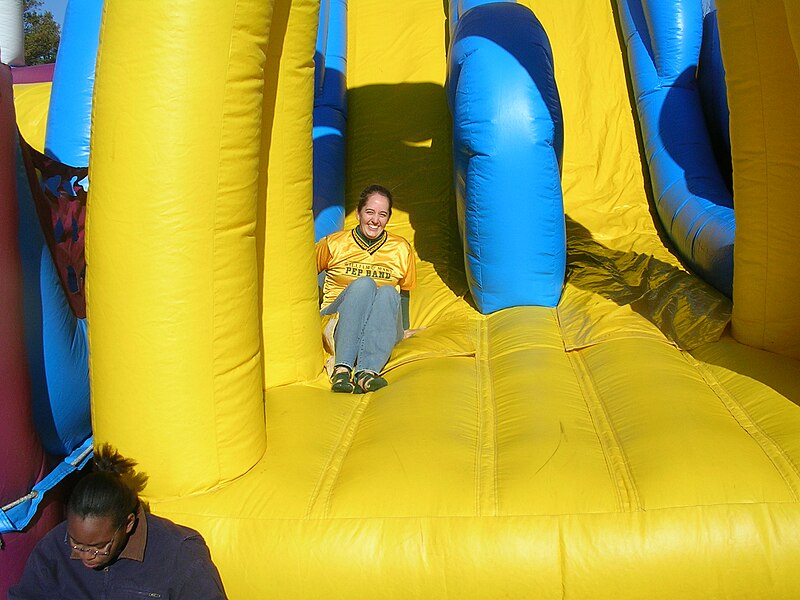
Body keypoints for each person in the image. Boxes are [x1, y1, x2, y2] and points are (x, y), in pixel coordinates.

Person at [9, 444, 227, 599]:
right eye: (77, 544)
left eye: (99, 547)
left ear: (128, 524)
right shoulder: (55, 547)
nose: (86, 556)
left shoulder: (178, 553)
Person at [316, 184, 417, 393]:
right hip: (337, 321)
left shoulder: (400, 248)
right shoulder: (333, 243)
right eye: (370, 212)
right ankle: (342, 368)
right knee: (364, 284)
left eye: (382, 214)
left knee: (389, 292)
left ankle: (367, 372)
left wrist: (404, 329)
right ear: (358, 213)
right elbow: (305, 276)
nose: (375, 220)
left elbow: (404, 294)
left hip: (380, 327)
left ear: (388, 218)